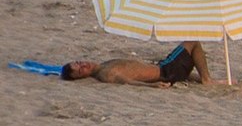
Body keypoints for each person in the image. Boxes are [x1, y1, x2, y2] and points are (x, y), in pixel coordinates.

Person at [61, 42, 212, 86]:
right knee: (193, 43)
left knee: (184, 72)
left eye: (79, 63)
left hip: (164, 69)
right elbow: (126, 81)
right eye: (80, 70)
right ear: (83, 77)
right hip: (165, 71)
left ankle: (202, 79)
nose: (84, 65)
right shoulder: (105, 73)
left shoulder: (103, 65)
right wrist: (151, 86)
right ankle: (207, 80)